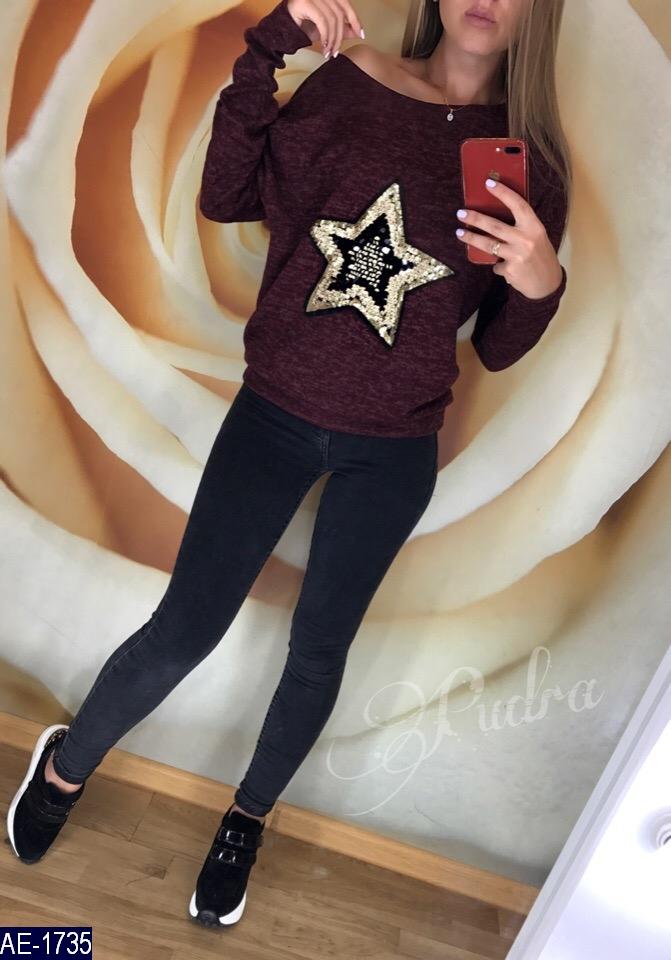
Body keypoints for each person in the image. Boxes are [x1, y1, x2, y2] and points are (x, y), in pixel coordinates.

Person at [7, 0, 570, 930]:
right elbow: (227, 194)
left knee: (317, 654)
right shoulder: (349, 85)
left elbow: (500, 347)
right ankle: (66, 767)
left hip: (393, 451)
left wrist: (543, 283)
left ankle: (246, 821)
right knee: (185, 629)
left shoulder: (531, 164)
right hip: (273, 415)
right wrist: (268, 43)